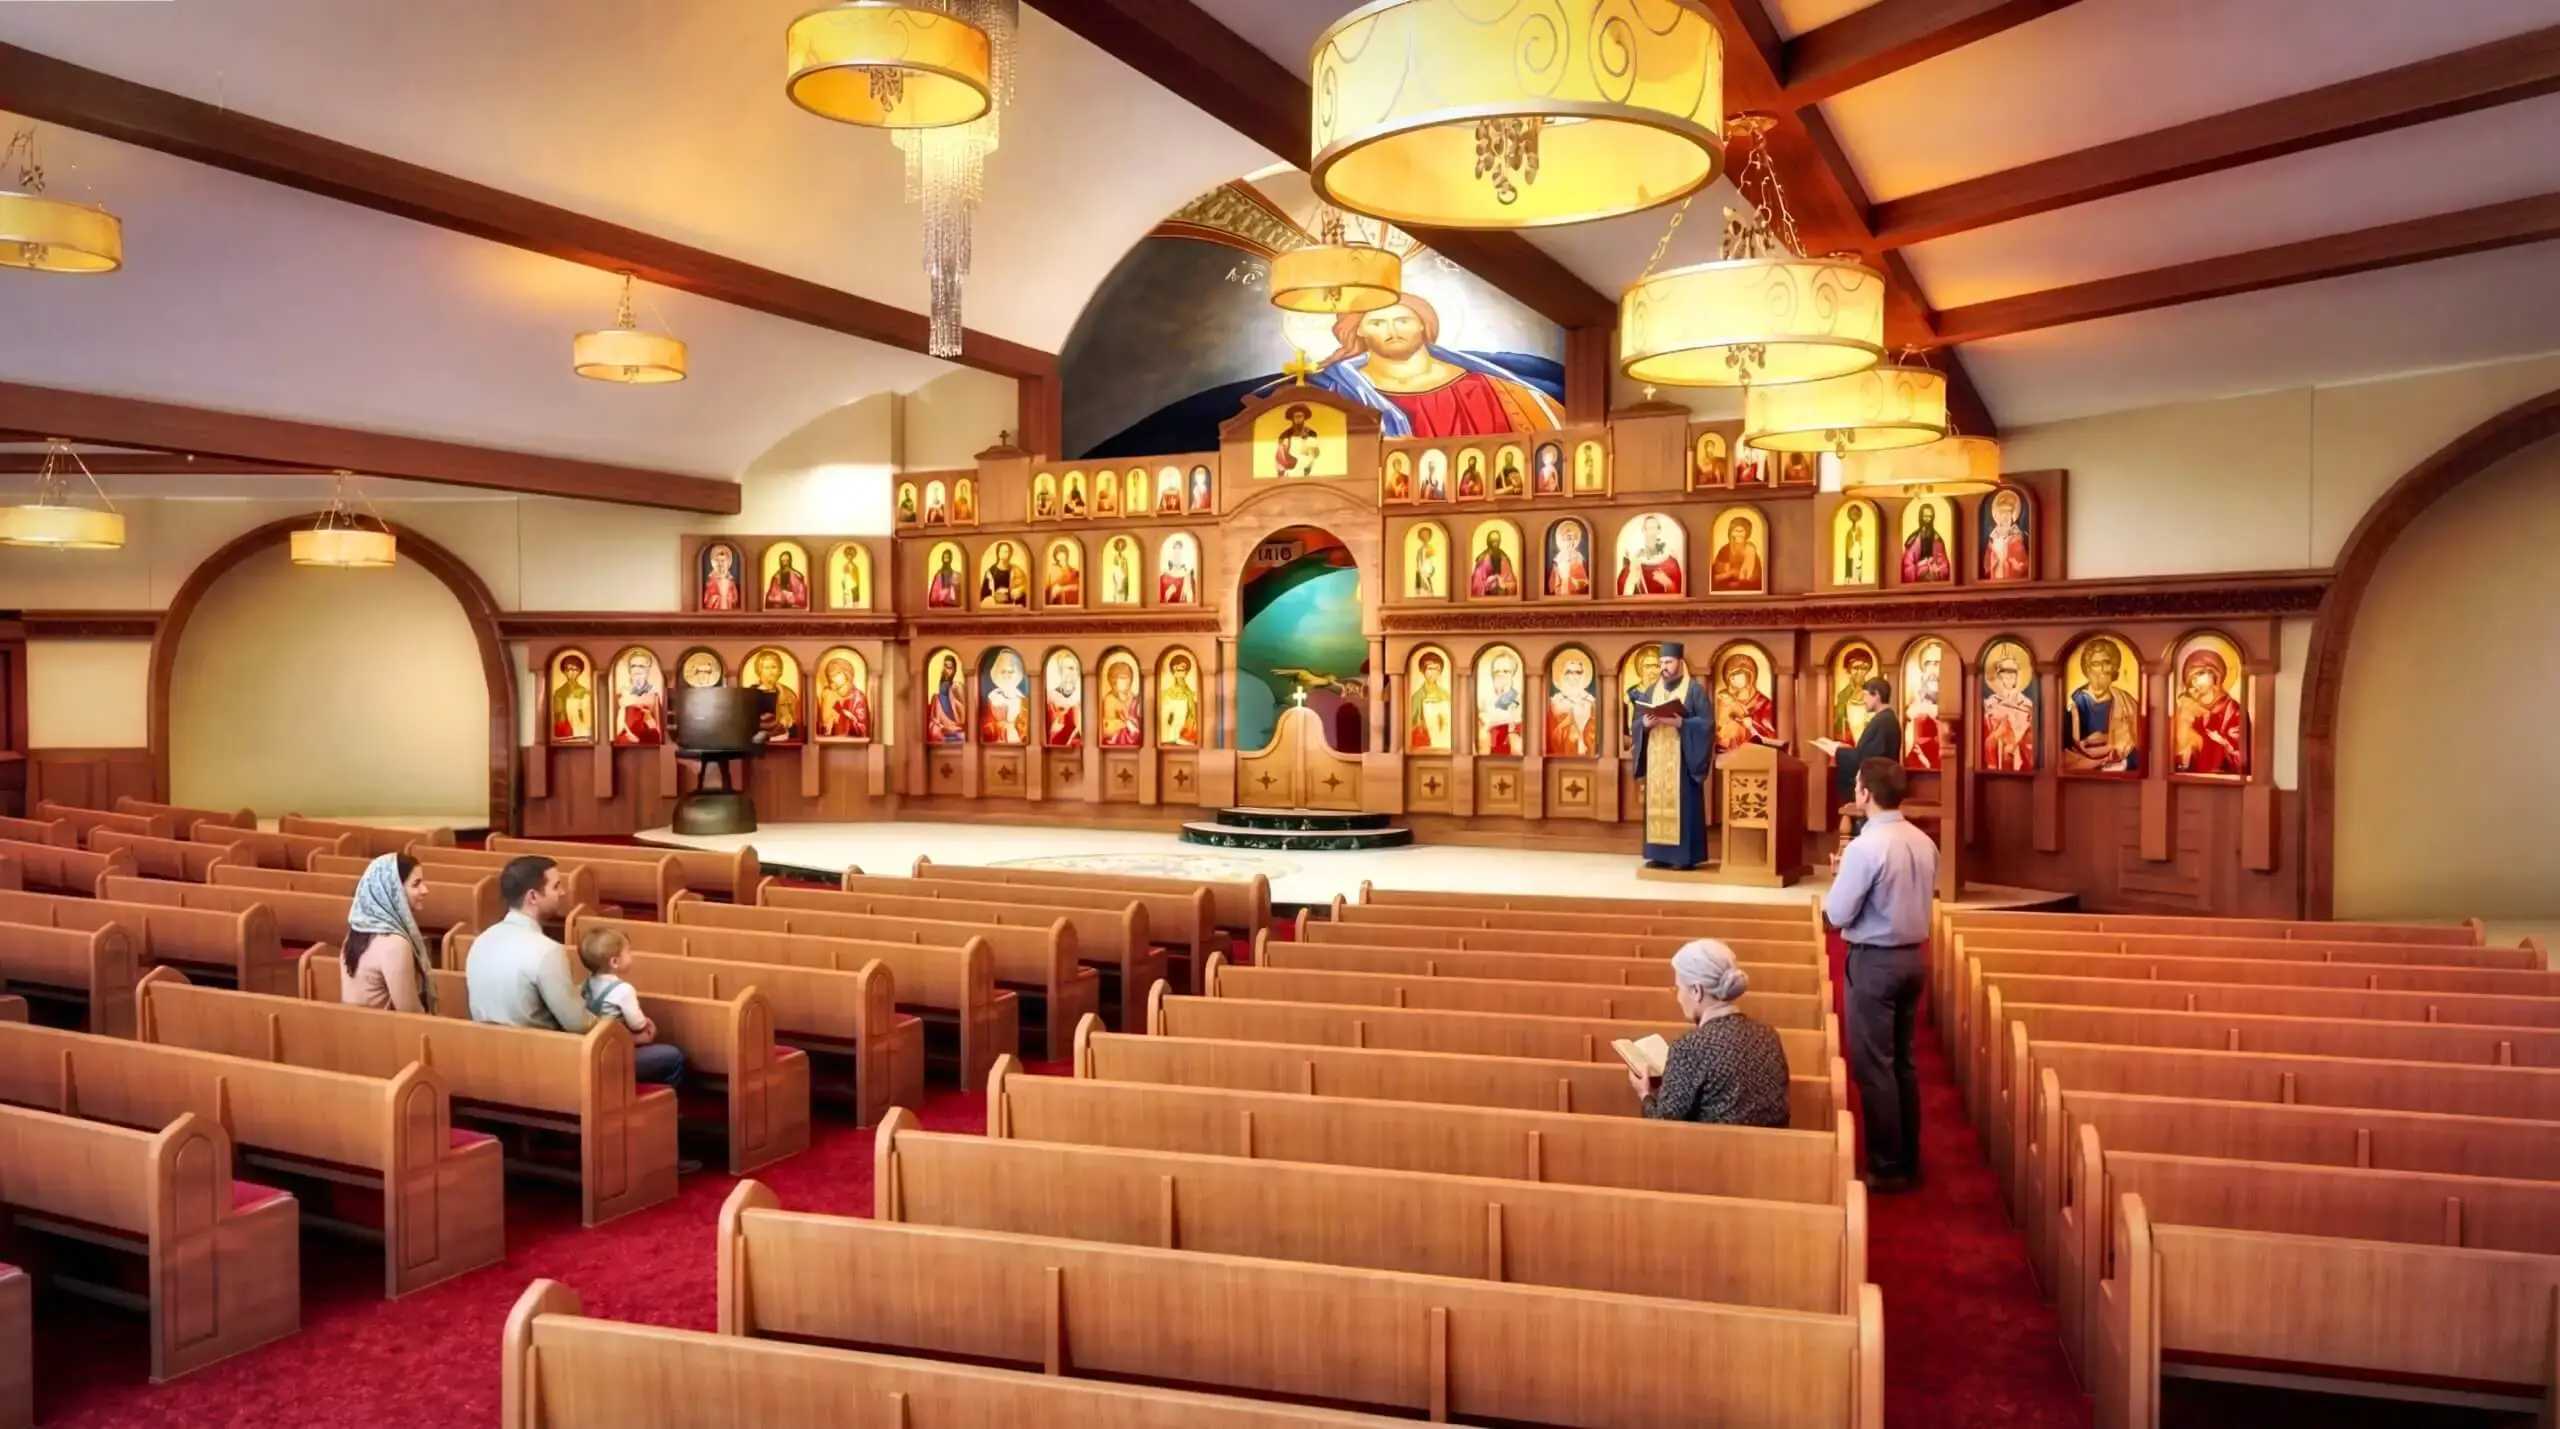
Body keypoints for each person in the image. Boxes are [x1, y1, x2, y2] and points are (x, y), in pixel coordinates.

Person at [1823, 758, 1938, 1193]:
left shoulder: (1866, 847)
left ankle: (1888, 1167)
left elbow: (1838, 912)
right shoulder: (1922, 841)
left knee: (1875, 1068)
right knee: (1904, 1064)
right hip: (1913, 958)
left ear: (1865, 793)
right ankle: (1909, 1157)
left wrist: (1837, 886)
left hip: (1875, 961)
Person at [1631, 941, 1792, 1128]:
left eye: (1678, 989)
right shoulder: (1768, 1035)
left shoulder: (1691, 1047)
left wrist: (1645, 1094)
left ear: (1696, 991)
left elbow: (1664, 1127)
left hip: (1718, 1154)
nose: (1677, 997)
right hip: (1774, 1153)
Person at [465, 857, 590, 1034]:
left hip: (486, 1050)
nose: (562, 892)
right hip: (540, 1054)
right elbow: (579, 1024)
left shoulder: (481, 940)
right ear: (533, 896)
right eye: (556, 886)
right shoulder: (547, 950)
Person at [1629, 640, 1712, 870]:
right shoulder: (1650, 690)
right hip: (1657, 759)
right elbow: (1635, 722)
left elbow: (1706, 724)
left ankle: (1684, 858)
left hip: (1682, 760)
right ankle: (1659, 854)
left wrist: (1681, 723)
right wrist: (1643, 725)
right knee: (1657, 806)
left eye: (1669, 662)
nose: (1664, 667)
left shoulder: (1694, 690)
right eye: (1661, 662)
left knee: (1683, 808)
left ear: (1680, 663)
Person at [577, 927, 684, 1087]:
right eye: (628, 951)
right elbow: (638, 1024)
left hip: (593, 1052)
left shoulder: (585, 984)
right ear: (614, 962)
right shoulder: (623, 990)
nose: (631, 955)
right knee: (674, 1056)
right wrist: (647, 1026)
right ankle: (667, 1101)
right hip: (616, 1055)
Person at [341, 852, 435, 1014]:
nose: (425, 890)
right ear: (393, 892)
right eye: (416, 884)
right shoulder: (394, 943)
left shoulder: (355, 933)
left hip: (355, 1030)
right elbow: (411, 1014)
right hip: (385, 1035)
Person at [1815, 677, 1901, 818]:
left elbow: (1870, 760)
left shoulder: (1884, 721)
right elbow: (1868, 752)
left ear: (1877, 695)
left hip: (1875, 792)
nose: (1863, 700)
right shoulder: (1884, 719)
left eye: (1866, 695)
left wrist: (1837, 751)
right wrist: (1845, 748)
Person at [1468, 527, 1516, 597]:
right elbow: (1476, 585)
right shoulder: (1483, 560)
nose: (1495, 543)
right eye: (1492, 541)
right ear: (1488, 542)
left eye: (1497, 541)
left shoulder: (1504, 559)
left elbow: (1512, 583)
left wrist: (1504, 585)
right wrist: (1488, 584)